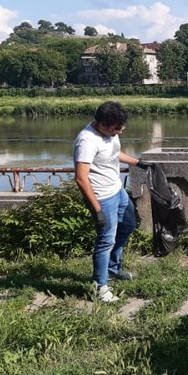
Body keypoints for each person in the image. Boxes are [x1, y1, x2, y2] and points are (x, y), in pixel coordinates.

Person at [74, 101, 151, 303]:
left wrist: (138, 163)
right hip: (102, 198)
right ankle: (99, 287)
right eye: (116, 128)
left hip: (117, 191)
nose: (120, 132)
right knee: (105, 241)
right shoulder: (87, 141)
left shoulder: (111, 135)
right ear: (103, 124)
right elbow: (81, 178)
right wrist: (97, 209)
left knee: (128, 225)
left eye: (121, 127)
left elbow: (115, 154)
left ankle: (112, 268)